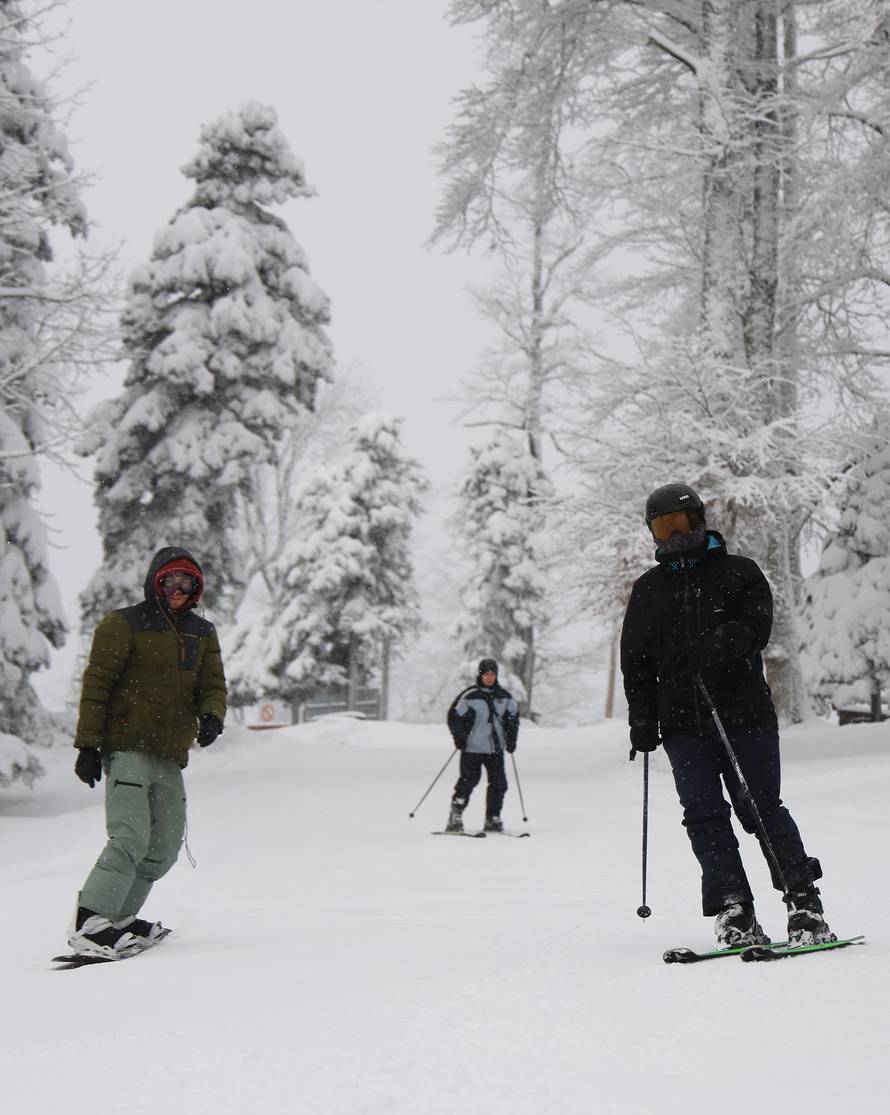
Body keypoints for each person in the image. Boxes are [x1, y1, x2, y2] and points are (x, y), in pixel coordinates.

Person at [620, 483, 835, 948]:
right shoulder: (648, 591)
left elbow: (756, 627)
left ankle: (804, 903)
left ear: (699, 521)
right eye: (663, 528)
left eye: (681, 524)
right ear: (652, 533)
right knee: (702, 815)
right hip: (681, 724)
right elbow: (635, 662)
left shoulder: (739, 573)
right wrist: (642, 717)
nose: (674, 535)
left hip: (744, 713)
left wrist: (716, 645)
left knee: (760, 807)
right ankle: (734, 908)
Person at [67, 546, 227, 958]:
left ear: (196, 588)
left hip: (169, 753)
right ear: (155, 582)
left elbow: (213, 685)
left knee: (165, 846)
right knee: (130, 836)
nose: (178, 589)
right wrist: (88, 744)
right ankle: (90, 921)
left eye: (186, 583)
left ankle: (118, 918)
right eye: (170, 581)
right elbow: (97, 684)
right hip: (127, 745)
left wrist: (212, 715)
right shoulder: (123, 624)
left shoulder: (202, 632)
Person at [445, 658, 520, 833]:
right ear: (480, 674)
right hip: (472, 748)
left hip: (496, 748)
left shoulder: (505, 697)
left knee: (499, 783)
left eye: (492, 674)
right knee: (468, 781)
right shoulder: (469, 696)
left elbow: (513, 720)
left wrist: (512, 739)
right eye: (486, 674)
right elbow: (455, 718)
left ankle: (493, 817)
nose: (489, 678)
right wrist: (459, 737)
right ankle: (455, 817)